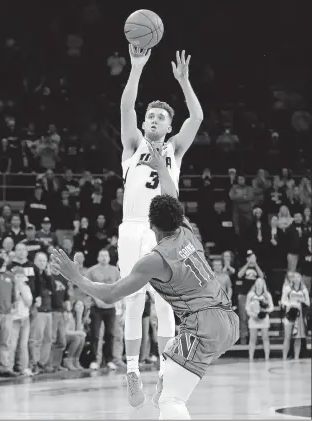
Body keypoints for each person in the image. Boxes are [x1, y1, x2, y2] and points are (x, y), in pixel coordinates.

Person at [51, 147, 239, 420]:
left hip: (202, 325)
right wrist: (162, 168)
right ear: (177, 217)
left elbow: (112, 294)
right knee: (167, 387)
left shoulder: (155, 260)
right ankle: (169, 378)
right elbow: (171, 194)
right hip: (228, 319)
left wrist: (76, 277)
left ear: (151, 225)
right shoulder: (186, 229)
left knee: (171, 399)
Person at [118, 45, 203, 406]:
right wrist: (136, 68)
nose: (153, 119)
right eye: (149, 115)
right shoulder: (133, 145)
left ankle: (165, 375)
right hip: (131, 229)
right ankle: (133, 372)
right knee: (133, 304)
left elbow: (196, 118)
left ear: (168, 127)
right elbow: (125, 108)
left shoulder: (174, 151)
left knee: (166, 306)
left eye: (159, 117)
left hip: (163, 232)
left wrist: (184, 82)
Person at [245, 278, 274, 361]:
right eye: (257, 282)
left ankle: (267, 357)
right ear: (255, 284)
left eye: (261, 282)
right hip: (253, 318)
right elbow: (247, 307)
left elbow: (271, 307)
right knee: (252, 338)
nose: (259, 284)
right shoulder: (250, 294)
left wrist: (265, 311)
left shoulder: (267, 295)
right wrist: (252, 314)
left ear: (263, 284)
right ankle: (251, 357)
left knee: (265, 338)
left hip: (263, 318)